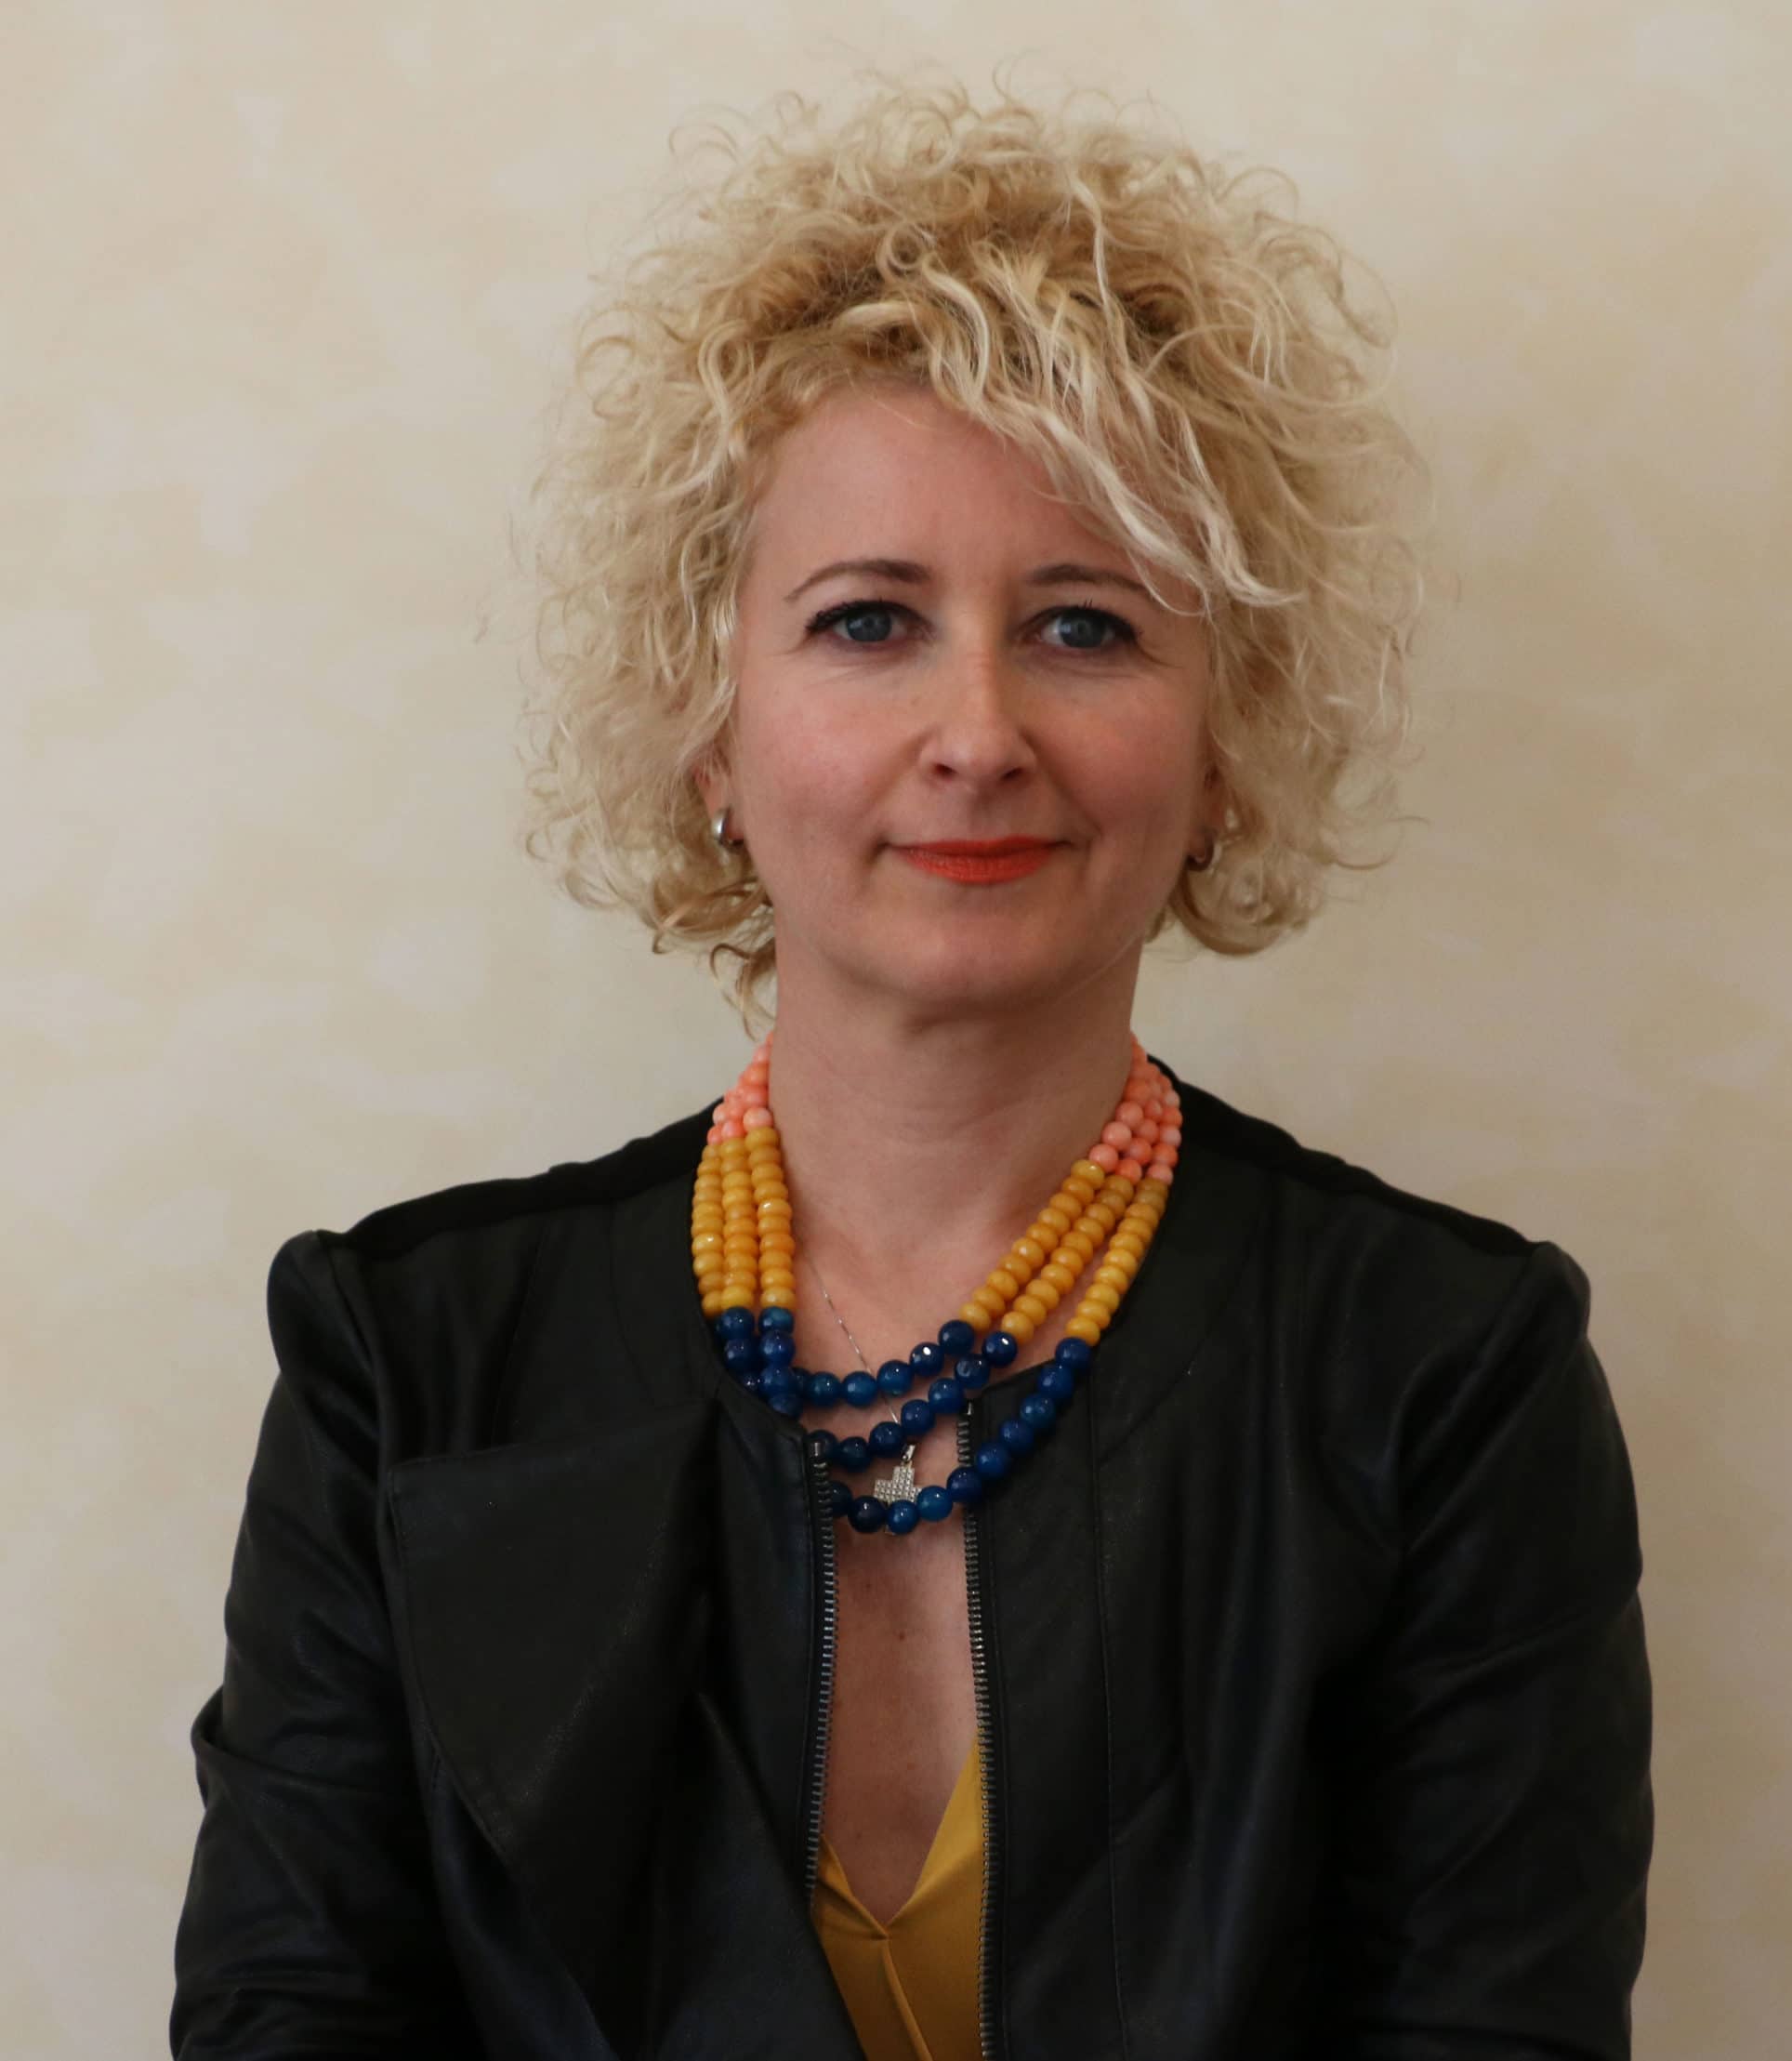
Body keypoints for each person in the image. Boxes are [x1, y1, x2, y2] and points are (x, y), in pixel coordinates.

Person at [171, 73, 1653, 2061]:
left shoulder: (1444, 1375)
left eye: (1084, 626)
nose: (976, 731)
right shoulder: (407, 1362)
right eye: (868, 620)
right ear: (712, 725)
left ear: (1225, 739)